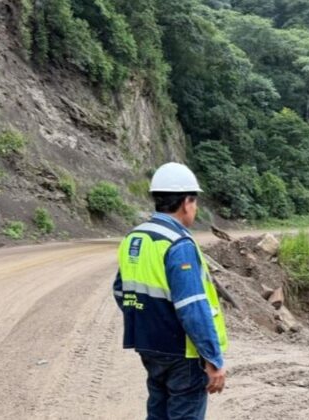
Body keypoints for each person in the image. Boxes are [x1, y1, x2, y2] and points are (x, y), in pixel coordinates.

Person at [113, 162, 228, 420]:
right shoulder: (178, 244)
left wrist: (148, 320)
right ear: (187, 202)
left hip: (148, 345)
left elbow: (120, 291)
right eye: (195, 203)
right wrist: (213, 358)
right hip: (182, 353)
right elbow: (192, 308)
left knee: (158, 411)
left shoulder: (134, 237)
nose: (195, 209)